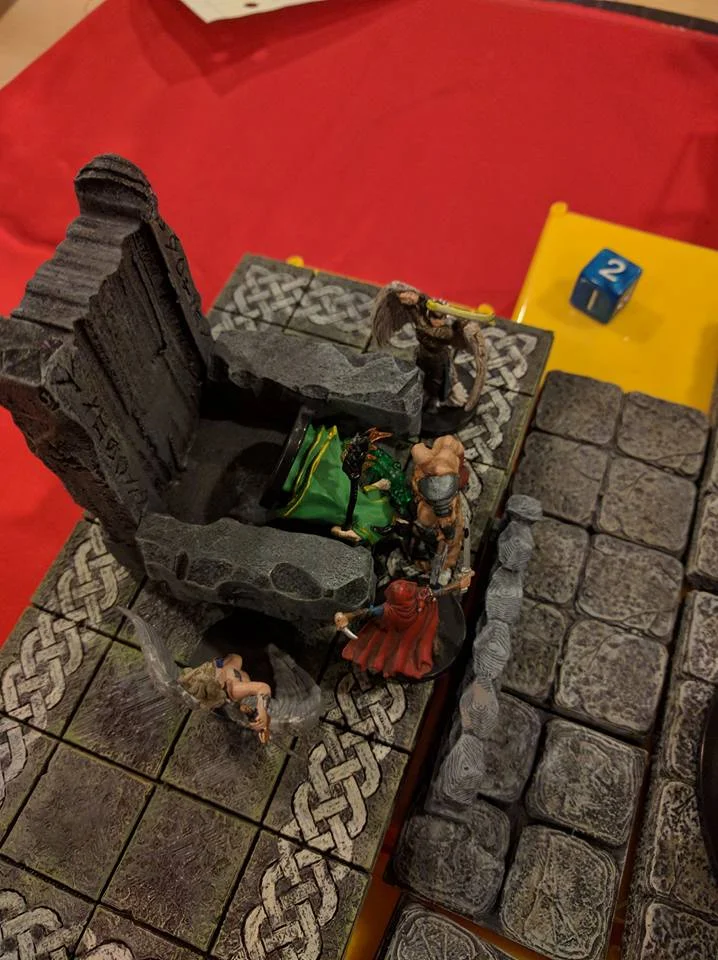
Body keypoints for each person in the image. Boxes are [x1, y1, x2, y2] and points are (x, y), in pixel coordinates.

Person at [278, 423, 408, 545]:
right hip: (340, 501)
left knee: (330, 473)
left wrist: (379, 485)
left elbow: (370, 490)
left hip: (343, 492)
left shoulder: (385, 511)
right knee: (323, 487)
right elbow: (337, 530)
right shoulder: (377, 528)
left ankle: (301, 451)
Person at [334, 572, 473, 679]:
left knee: (423, 642)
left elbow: (440, 592)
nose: (409, 587)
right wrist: (347, 616)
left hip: (422, 623)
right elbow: (366, 612)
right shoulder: (394, 607)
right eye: (406, 588)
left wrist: (459, 584)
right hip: (404, 630)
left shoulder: (416, 598)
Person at [178, 654, 272, 743]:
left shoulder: (233, 684)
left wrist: (262, 710)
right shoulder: (233, 688)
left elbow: (263, 688)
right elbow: (263, 688)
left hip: (237, 672)